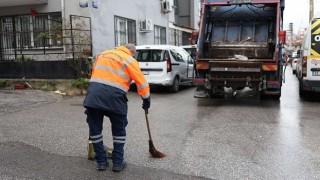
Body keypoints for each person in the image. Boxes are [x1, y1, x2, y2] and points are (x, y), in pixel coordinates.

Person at [83, 44, 151, 172]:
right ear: (131, 52)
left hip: (94, 96)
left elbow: (95, 74)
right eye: (134, 54)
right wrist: (146, 99)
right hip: (115, 98)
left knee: (95, 129)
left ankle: (101, 163)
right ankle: (117, 164)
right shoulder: (130, 60)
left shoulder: (102, 54)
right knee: (119, 130)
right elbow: (141, 82)